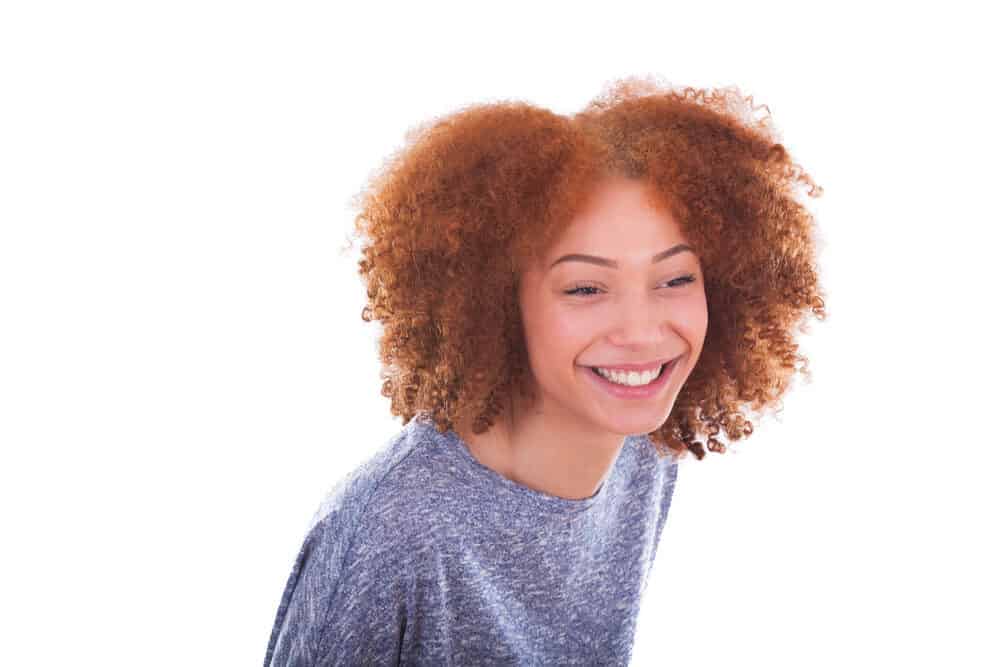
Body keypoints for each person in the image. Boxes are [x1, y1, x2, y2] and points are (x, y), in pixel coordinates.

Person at [263, 75, 827, 665]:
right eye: (585, 287)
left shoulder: (641, 450)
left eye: (676, 279)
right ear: (498, 302)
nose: (641, 333)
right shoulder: (393, 531)